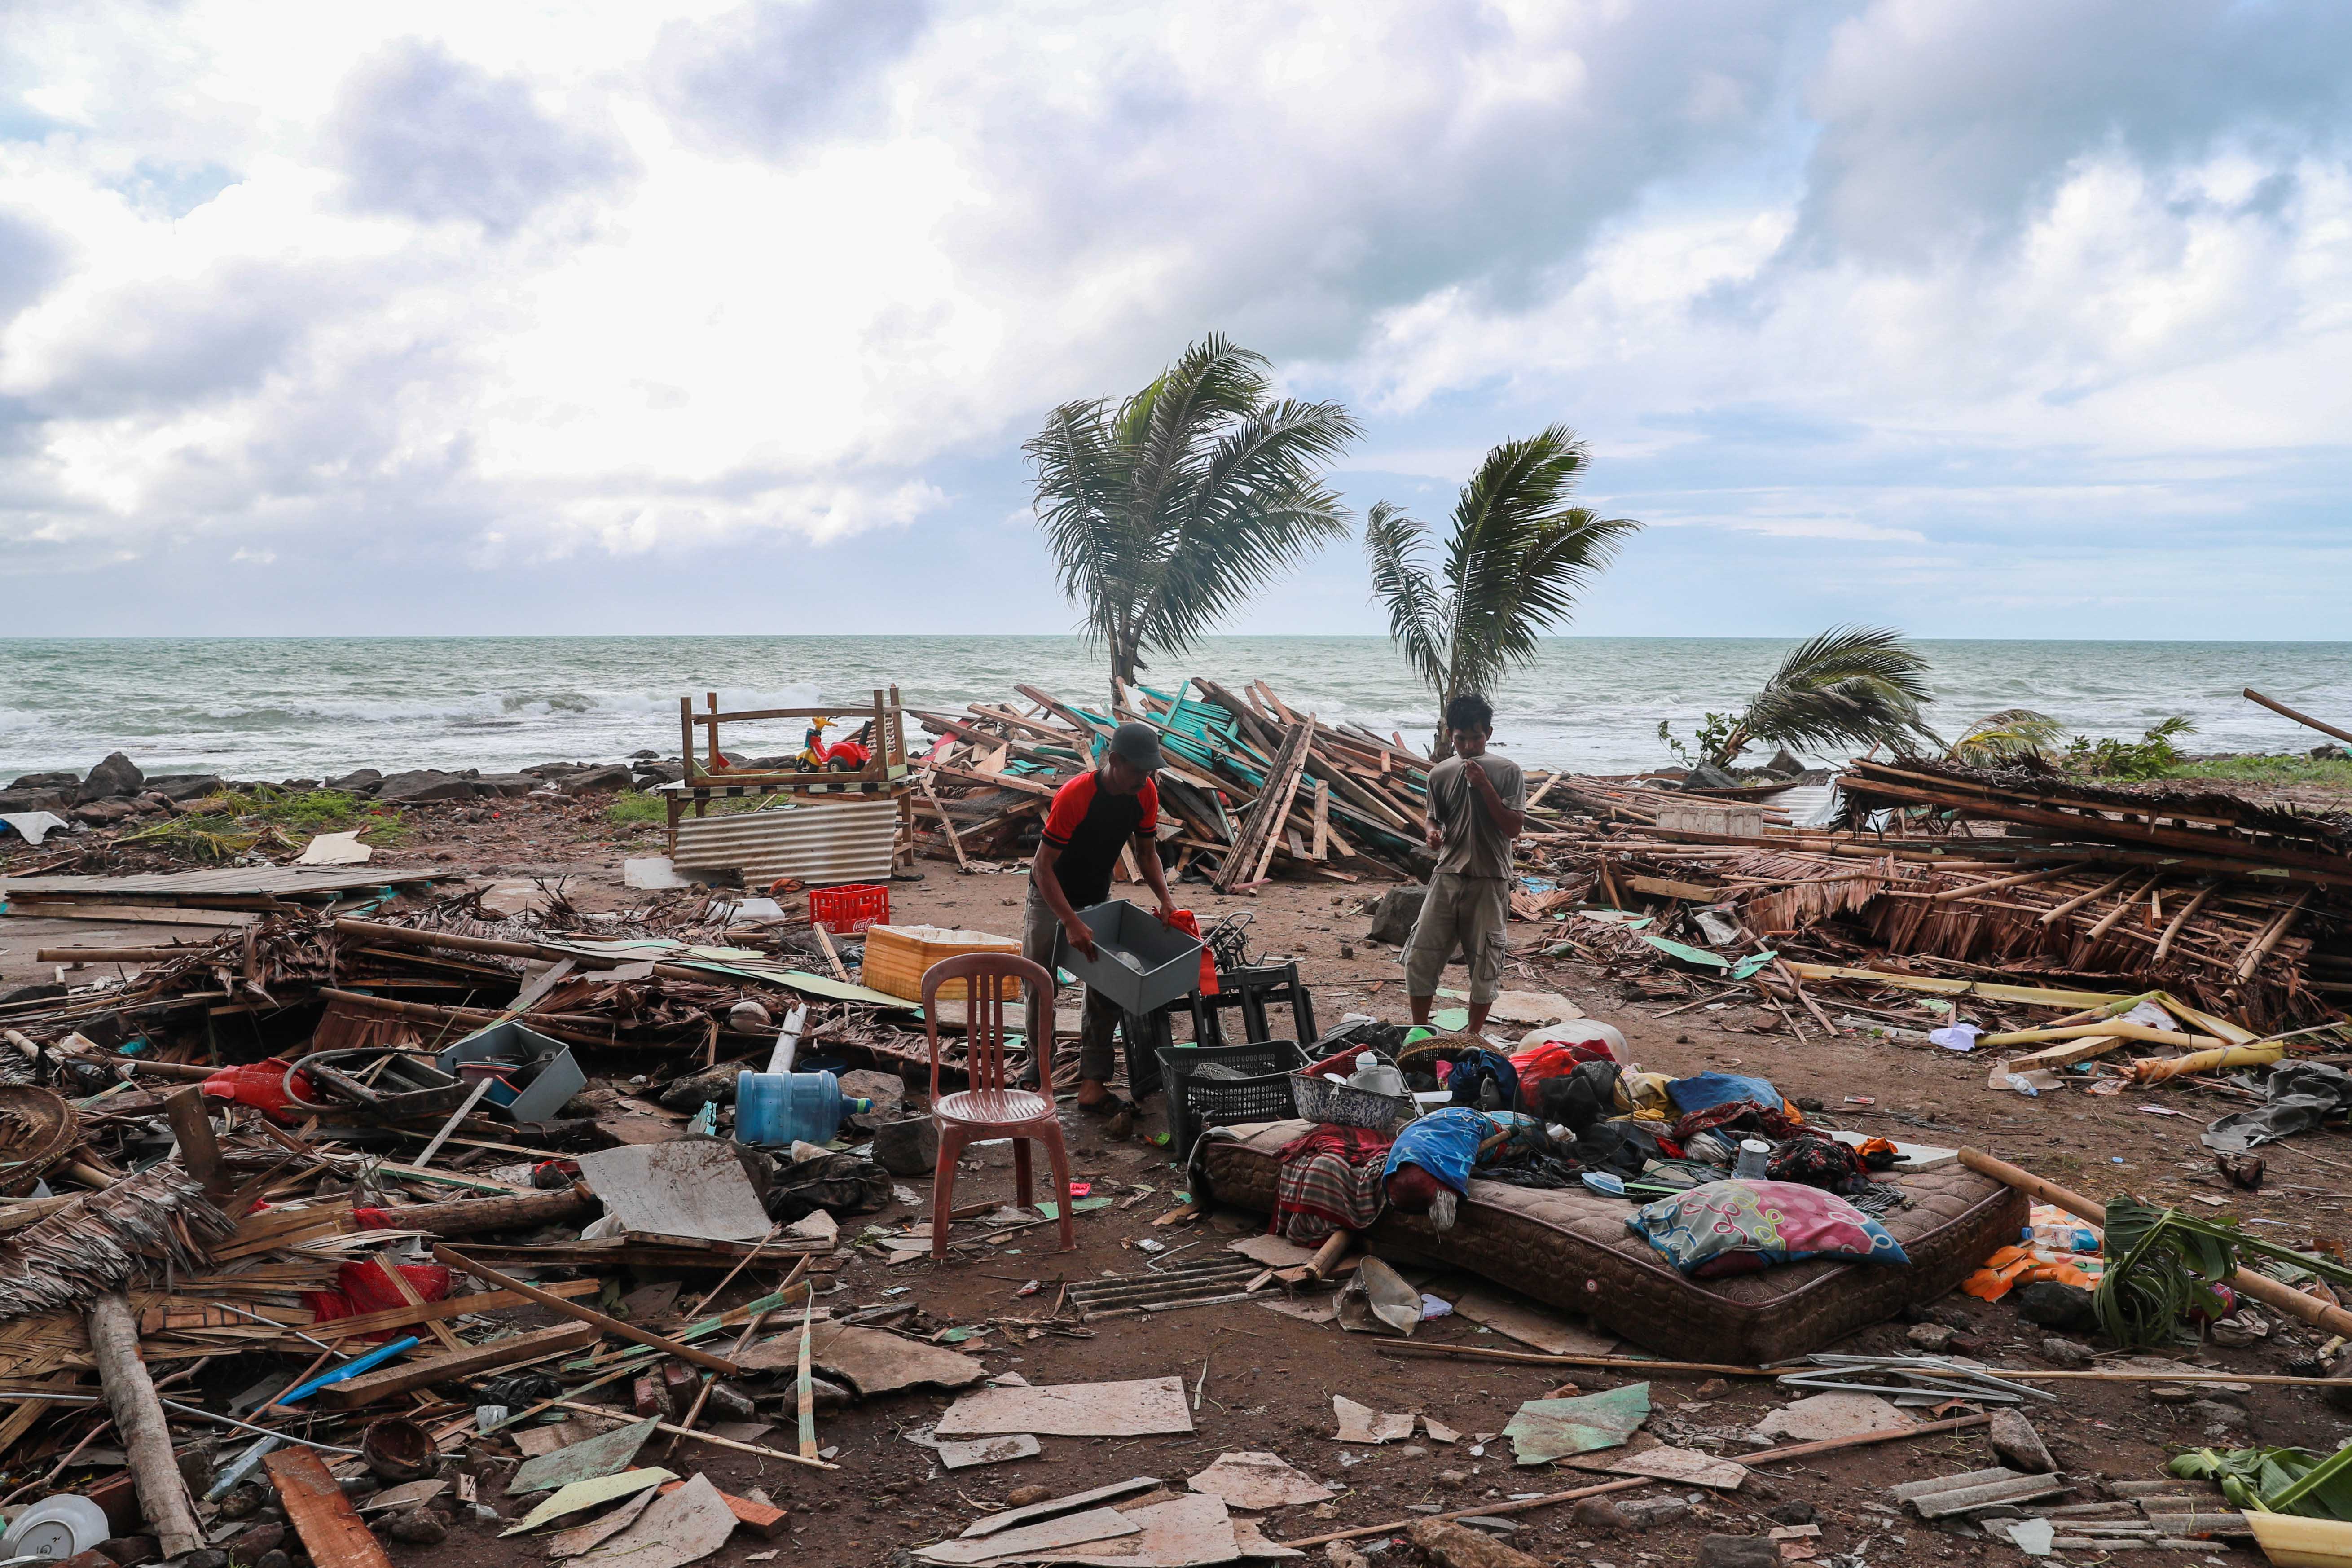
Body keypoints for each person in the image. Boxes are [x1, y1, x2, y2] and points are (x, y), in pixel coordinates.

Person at [1024, 720, 1178, 1111]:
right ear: (1114, 761)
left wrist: (1166, 900)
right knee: (1041, 981)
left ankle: (1092, 1082)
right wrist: (1070, 922)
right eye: (1138, 770)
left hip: (1096, 894)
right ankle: (1037, 1066)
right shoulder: (1075, 795)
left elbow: (1146, 854)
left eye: (1150, 771)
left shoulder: (1144, 794)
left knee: (1106, 982)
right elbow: (1043, 868)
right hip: (1049, 893)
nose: (1145, 779)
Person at [1401, 692, 1525, 1036]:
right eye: (1460, 739)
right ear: (1449, 735)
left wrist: (1485, 786)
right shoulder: (1439, 774)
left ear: (1488, 732)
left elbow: (1513, 827)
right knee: (1420, 955)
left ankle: (1471, 1036)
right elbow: (1431, 819)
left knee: (1484, 961)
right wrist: (1431, 834)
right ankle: (1419, 1033)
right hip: (1447, 874)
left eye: (1475, 737)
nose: (1468, 746)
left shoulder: (1507, 771)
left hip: (1490, 877)